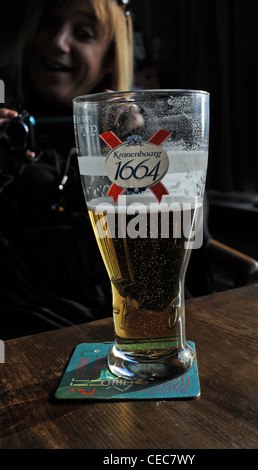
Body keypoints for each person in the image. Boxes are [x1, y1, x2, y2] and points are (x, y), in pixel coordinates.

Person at [0, 0, 134, 339]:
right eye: (49, 24)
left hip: (115, 327)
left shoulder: (137, 132)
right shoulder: (6, 127)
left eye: (83, 33)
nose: (57, 42)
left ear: (108, 58)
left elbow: (188, 238)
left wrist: (140, 155)